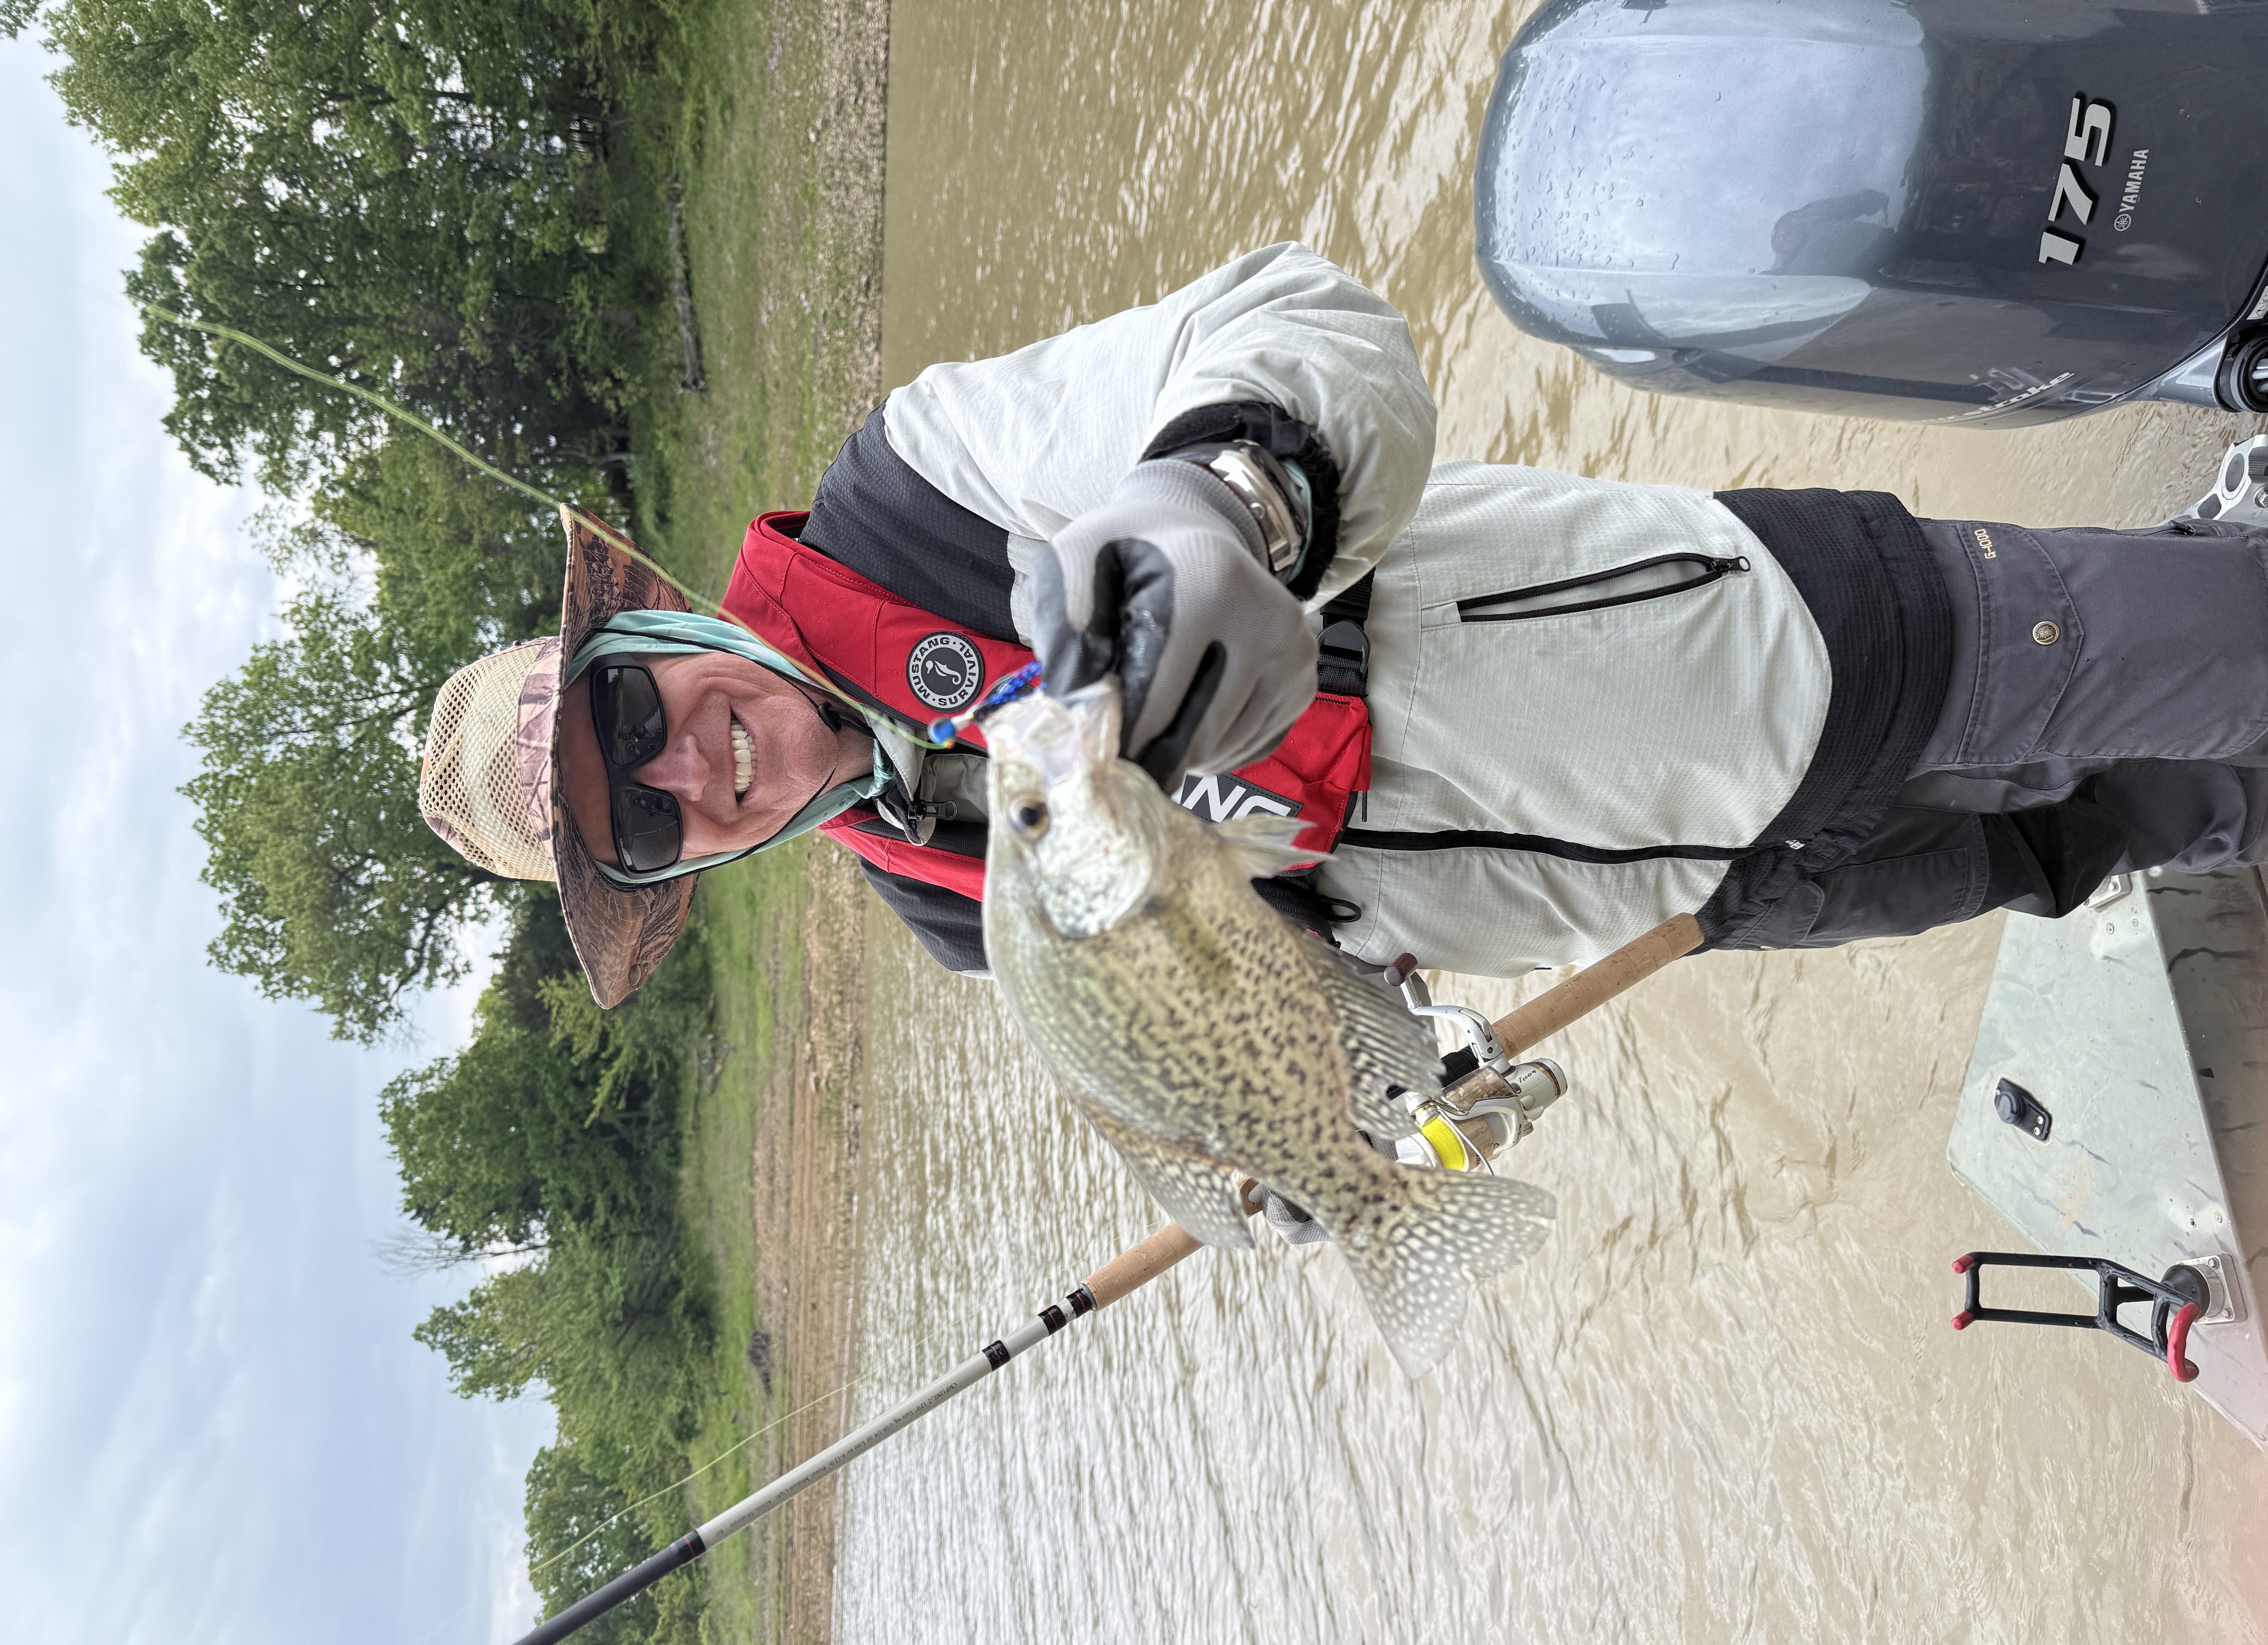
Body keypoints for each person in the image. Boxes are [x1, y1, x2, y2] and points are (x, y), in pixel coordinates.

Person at [417, 243, 2268, 1012]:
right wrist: (1314, 1133)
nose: (683, 763)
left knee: (2231, 645)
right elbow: (1284, 983)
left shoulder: (922, 486)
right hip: (1717, 891)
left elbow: (1302, 320)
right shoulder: (938, 903)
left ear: (646, 636)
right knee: (2117, 832)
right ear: (684, 862)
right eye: (638, 813)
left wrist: (1227, 489)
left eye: (635, 713)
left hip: (1773, 646)